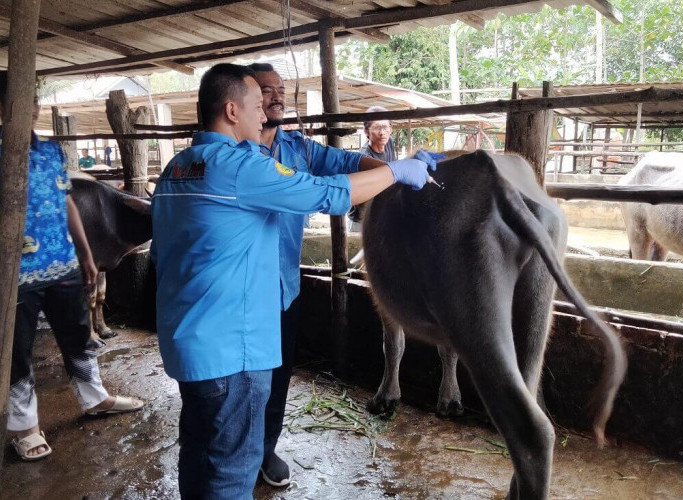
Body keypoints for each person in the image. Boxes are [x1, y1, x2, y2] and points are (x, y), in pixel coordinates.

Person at [150, 63, 434, 499]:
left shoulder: (179, 168)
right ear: (231, 110)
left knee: (199, 453)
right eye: (255, 105)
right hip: (234, 352)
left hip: (191, 343)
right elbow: (330, 194)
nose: (263, 114)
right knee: (232, 472)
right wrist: (398, 171)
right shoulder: (240, 167)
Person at [248, 63, 393, 487]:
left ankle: (265, 449)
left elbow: (346, 161)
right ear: (243, 101)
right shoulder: (236, 156)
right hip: (240, 296)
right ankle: (234, 458)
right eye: (265, 90)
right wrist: (394, 175)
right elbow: (327, 193)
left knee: (277, 376)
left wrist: (389, 174)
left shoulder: (298, 148)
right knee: (240, 385)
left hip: (283, 290)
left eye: (280, 89)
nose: (276, 97)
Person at [0, 73, 144, 462]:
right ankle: (24, 425)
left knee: (79, 335)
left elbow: (65, 203)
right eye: (19, 102)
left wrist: (84, 255)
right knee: (17, 350)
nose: (31, 108)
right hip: (15, 272)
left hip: (61, 264)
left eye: (33, 101)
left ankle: (94, 397)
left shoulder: (49, 151)